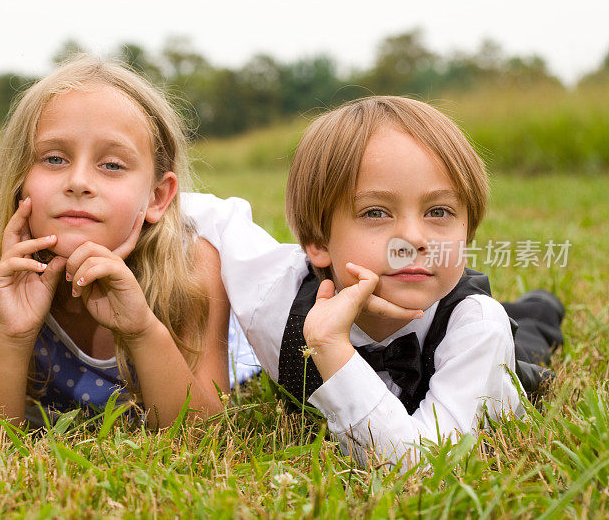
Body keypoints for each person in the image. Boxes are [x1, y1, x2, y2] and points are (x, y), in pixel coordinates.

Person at [184, 96, 563, 466]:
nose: (414, 238)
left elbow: (424, 464)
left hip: (484, 350)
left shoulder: (477, 328)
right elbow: (207, 214)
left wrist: (330, 347)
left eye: (439, 211)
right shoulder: (274, 300)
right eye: (376, 212)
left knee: (526, 338)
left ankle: (539, 309)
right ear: (317, 242)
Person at [0, 54, 232, 431]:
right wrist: (12, 336)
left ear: (158, 197)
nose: (78, 181)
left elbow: (205, 437)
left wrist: (143, 329)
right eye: (54, 159)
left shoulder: (194, 266)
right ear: (18, 179)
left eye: (112, 165)